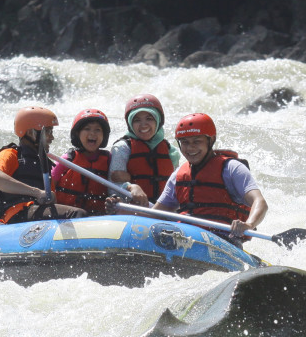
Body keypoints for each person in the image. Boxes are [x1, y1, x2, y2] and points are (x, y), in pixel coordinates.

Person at [153, 112, 268, 243]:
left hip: (224, 241)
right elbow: (156, 213)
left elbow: (260, 202)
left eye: (197, 141)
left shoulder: (231, 168)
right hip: (185, 238)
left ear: (211, 140)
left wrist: (249, 224)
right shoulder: (178, 175)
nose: (190, 148)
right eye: (185, 142)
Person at [0, 106, 87, 223]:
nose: (52, 137)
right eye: (48, 132)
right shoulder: (11, 154)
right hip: (15, 213)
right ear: (31, 132)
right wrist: (37, 193)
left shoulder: (44, 163)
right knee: (77, 214)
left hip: (35, 214)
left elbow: (53, 203)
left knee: (80, 212)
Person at [51, 108, 148, 214]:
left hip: (99, 218)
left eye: (98, 130)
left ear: (104, 136)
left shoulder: (109, 160)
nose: (92, 133)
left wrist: (129, 179)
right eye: (87, 129)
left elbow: (121, 181)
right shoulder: (67, 159)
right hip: (69, 214)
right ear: (78, 133)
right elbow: (49, 183)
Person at [108, 94, 182, 203]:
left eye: (149, 118)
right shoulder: (122, 148)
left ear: (158, 120)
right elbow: (112, 188)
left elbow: (177, 187)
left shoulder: (171, 151)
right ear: (130, 123)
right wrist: (131, 187)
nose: (143, 125)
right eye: (137, 120)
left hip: (162, 209)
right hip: (133, 208)